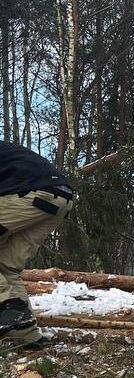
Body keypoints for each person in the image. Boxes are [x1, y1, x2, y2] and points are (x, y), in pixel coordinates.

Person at [0, 142, 74, 348]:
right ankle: (27, 338)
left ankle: (8, 305)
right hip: (60, 198)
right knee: (6, 265)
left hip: (34, 194)